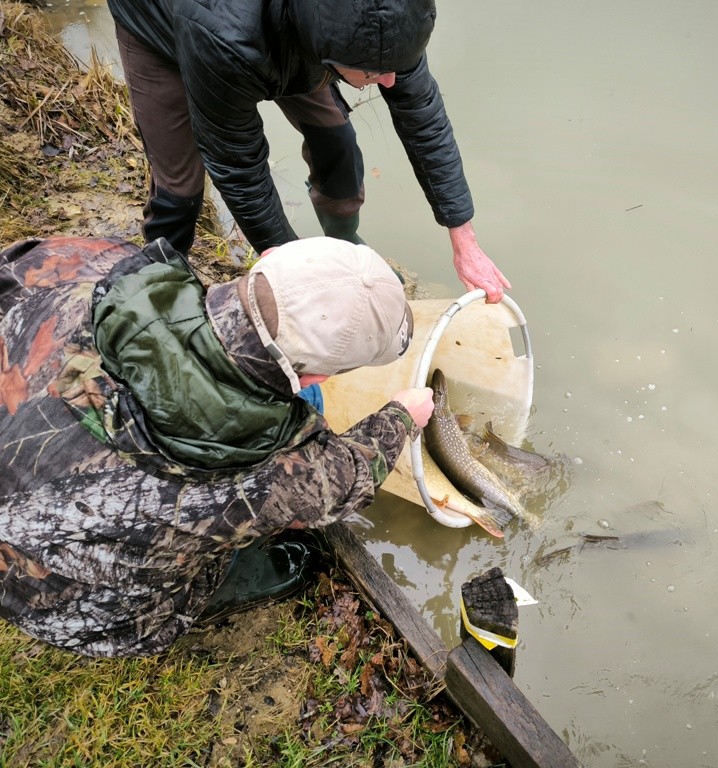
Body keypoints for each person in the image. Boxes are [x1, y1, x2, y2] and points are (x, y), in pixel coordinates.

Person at [0, 235, 434, 657]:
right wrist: (401, 417)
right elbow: (346, 479)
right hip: (47, 602)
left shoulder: (95, 261)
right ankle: (207, 593)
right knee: (241, 535)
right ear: (315, 378)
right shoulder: (281, 470)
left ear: (267, 261)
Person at [106, 0, 511, 303]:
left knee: (337, 141)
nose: (389, 81)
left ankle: (345, 241)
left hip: (291, 33)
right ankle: (157, 288)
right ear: (330, 55)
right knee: (181, 189)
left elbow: (424, 117)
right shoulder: (226, 38)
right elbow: (239, 166)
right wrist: (302, 278)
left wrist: (465, 240)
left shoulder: (383, 22)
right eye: (373, 74)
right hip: (164, 27)